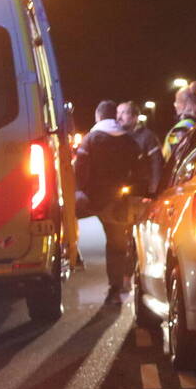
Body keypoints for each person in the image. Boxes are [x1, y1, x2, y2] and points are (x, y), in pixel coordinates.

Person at [75, 100, 143, 304]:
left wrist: (80, 191)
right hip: (118, 201)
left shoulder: (90, 139)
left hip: (92, 200)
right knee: (116, 244)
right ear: (114, 116)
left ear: (97, 116)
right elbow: (139, 170)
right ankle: (115, 286)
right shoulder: (129, 141)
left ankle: (74, 259)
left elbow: (80, 169)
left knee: (73, 227)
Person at [117, 101, 164, 195]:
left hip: (140, 189)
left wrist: (153, 190)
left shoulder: (147, 136)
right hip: (120, 191)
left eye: (124, 113)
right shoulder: (117, 136)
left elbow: (156, 164)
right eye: (118, 112)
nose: (119, 117)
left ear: (135, 117)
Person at [163, 83, 196, 161]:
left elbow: (178, 157)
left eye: (176, 101)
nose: (175, 105)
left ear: (184, 104)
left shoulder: (182, 126)